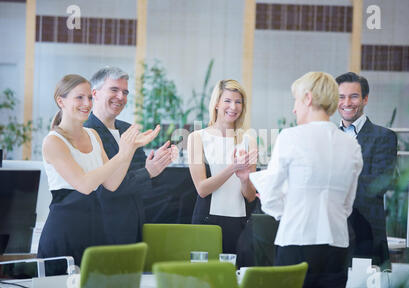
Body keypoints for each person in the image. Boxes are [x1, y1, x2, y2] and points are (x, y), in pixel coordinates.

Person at [250, 72, 363, 288]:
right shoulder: (351, 145)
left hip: (296, 241)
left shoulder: (290, 137)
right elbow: (347, 205)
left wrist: (289, 213)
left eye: (296, 100)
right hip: (337, 245)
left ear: (308, 98)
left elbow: (270, 194)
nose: (294, 109)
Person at [37, 74, 159, 266]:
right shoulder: (53, 141)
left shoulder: (93, 135)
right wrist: (122, 153)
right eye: (79, 97)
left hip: (95, 229)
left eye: (89, 97)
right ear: (61, 101)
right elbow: (85, 184)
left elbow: (112, 183)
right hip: (64, 230)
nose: (87, 103)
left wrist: (131, 149)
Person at [84, 66, 177, 243]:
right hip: (102, 230)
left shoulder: (128, 129)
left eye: (125, 92)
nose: (121, 97)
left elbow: (142, 182)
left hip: (134, 226)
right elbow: (105, 188)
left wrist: (155, 163)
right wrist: (148, 172)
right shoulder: (86, 133)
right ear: (95, 94)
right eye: (114, 90)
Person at [187, 79, 258, 267]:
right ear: (217, 103)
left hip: (241, 224)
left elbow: (250, 196)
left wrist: (244, 180)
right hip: (207, 221)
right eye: (227, 101)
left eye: (238, 102)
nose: (233, 107)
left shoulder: (249, 140)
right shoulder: (197, 137)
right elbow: (202, 189)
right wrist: (233, 168)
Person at [335, 72, 398, 269]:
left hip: (367, 236)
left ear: (365, 99)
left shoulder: (383, 136)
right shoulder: (328, 137)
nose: (347, 102)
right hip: (332, 235)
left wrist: (333, 184)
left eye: (353, 96)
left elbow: (379, 184)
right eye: (341, 97)